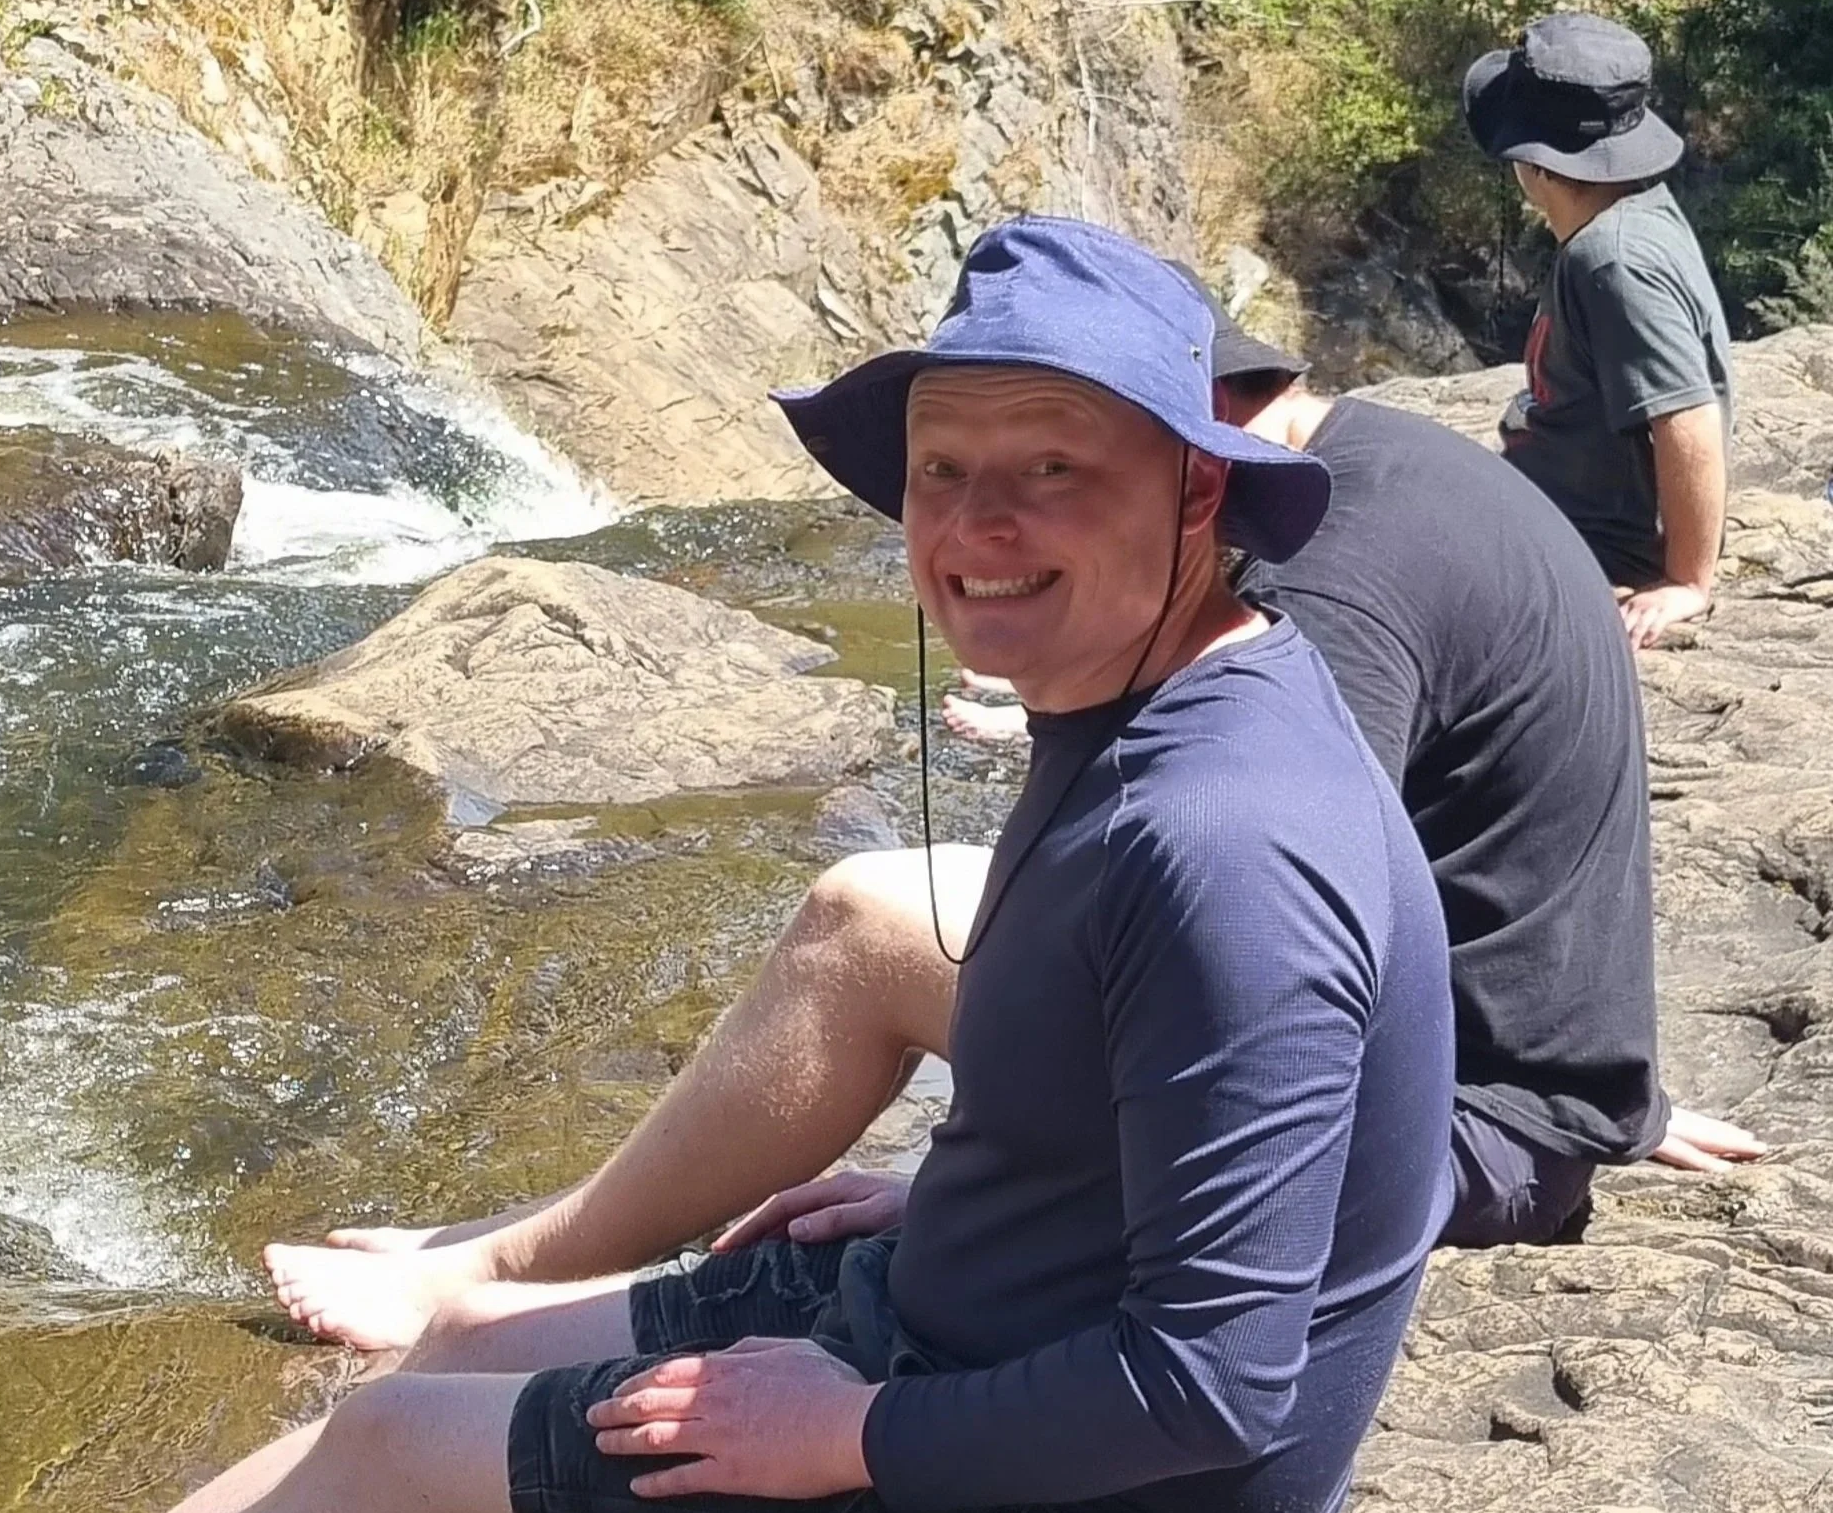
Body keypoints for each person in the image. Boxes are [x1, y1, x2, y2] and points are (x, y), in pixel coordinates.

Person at [0, 219, 1452, 1513]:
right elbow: (1163, 1111)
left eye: (1053, 468)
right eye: (941, 469)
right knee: (440, 1351)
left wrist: (855, 1433)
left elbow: (1227, 1386)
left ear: (1198, 488)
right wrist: (967, 1195)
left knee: (389, 1467)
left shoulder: (1229, 846)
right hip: (980, 1322)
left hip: (1074, 1498)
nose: (976, 527)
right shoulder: (1147, 688)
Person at [267, 292, 1761, 1355]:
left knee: (860, 925)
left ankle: (502, 1277)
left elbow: (1263, 937)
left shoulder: (1336, 570)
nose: (1033, 509)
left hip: (1442, 1127)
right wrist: (1601, 1093)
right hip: (1510, 1084)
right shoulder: (1383, 475)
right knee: (902, 910)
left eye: (1075, 461)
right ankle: (503, 1249)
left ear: (1206, 450)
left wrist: (981, 1185)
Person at [1464, 10, 1734, 648]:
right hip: (1561, 511)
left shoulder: (1613, 261)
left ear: (1536, 164)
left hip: (1592, 544)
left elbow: (1688, 418)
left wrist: (1687, 582)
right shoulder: (1632, 214)